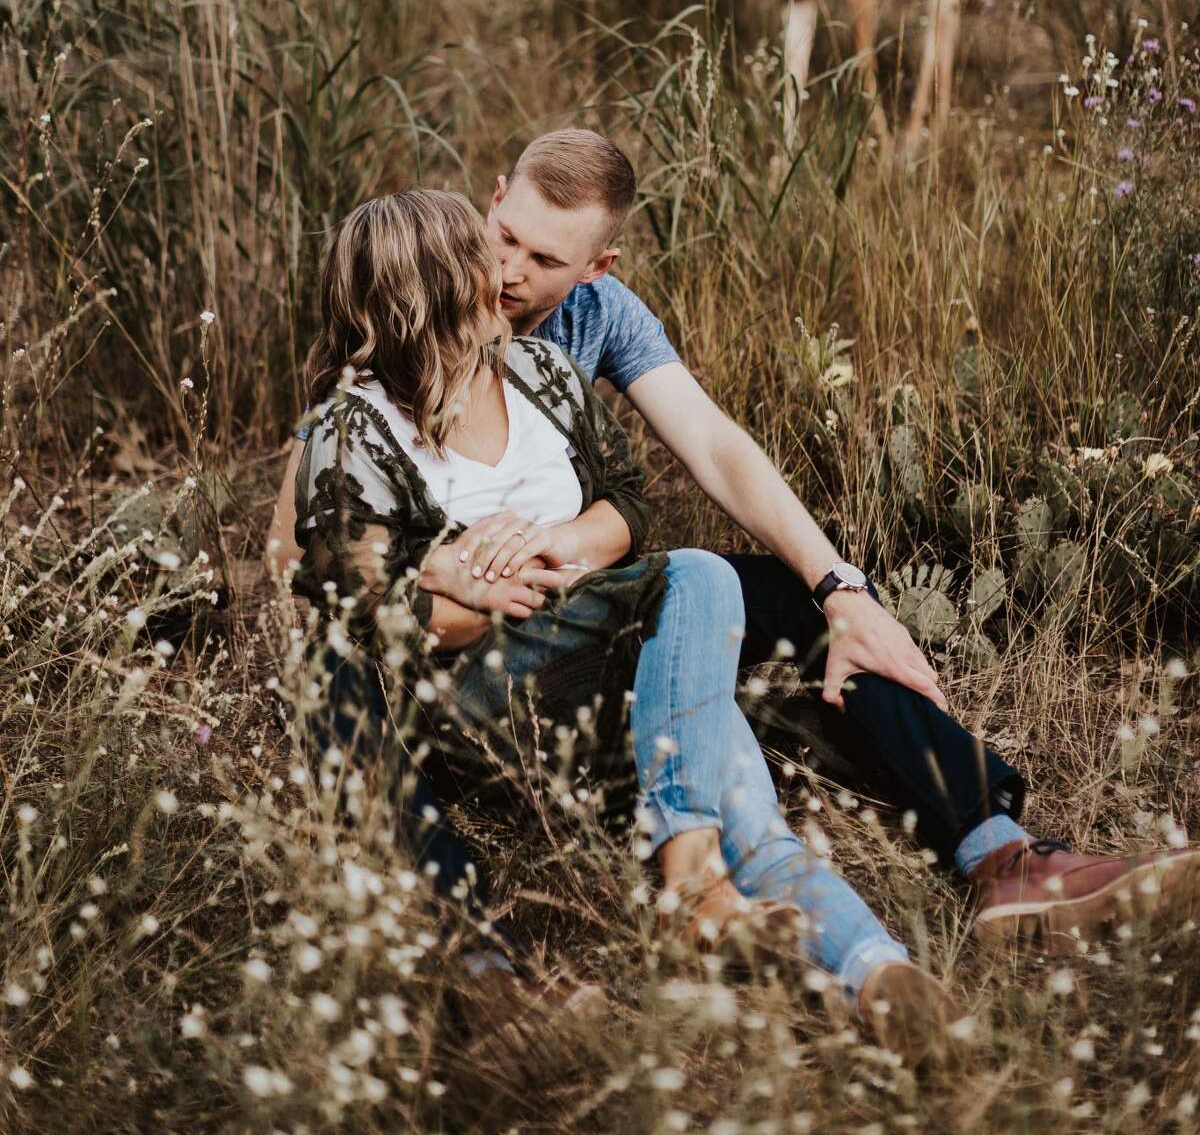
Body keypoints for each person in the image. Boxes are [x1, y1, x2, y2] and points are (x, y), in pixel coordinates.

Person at [270, 130, 1200, 957]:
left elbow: (710, 448)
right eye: (500, 237)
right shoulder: (416, 314)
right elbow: (308, 548)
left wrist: (841, 588)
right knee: (348, 673)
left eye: (541, 259)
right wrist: (442, 568)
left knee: (794, 603)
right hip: (475, 635)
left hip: (588, 596)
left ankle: (996, 854)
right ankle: (472, 945)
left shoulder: (589, 328)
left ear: (597, 267)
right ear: (491, 204)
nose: (507, 273)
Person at [293, 188, 962, 1064]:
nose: (505, 274)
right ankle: (689, 878)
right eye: (484, 256)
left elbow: (631, 501)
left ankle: (875, 973)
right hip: (485, 696)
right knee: (695, 576)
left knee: (745, 800)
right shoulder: (353, 429)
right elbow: (349, 610)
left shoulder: (544, 376)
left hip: (607, 677)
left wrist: (558, 543)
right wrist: (465, 585)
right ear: (437, 294)